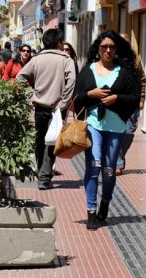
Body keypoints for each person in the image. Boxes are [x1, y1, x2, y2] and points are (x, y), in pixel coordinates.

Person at [73, 30, 139, 230]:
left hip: (116, 127)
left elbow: (135, 99)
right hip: (93, 126)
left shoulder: (126, 73)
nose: (108, 50)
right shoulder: (88, 71)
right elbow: (76, 100)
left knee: (109, 171)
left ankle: (105, 202)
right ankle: (91, 212)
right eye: (104, 47)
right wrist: (90, 94)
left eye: (111, 47)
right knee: (93, 168)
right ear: (98, 49)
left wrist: (117, 98)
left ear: (116, 49)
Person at [17, 28, 76, 190]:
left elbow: (20, 77)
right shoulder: (66, 59)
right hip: (56, 109)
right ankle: (43, 177)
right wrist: (63, 103)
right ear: (58, 42)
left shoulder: (36, 59)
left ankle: (42, 173)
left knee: (40, 141)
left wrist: (31, 97)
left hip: (40, 108)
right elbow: (71, 82)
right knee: (51, 142)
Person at [116, 45, 146, 176]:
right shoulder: (112, 60)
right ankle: (118, 162)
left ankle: (117, 158)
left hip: (132, 102)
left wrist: (142, 99)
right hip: (116, 102)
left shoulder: (136, 60)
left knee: (129, 132)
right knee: (116, 133)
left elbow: (142, 81)